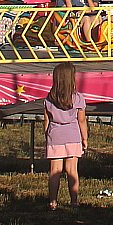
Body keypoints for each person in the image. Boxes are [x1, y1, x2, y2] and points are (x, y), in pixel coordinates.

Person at [45, 62, 88, 210]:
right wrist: (85, 138)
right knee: (72, 170)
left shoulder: (49, 98)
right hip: (72, 135)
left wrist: (47, 136)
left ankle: (53, 202)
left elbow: (47, 121)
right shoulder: (78, 98)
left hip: (55, 135)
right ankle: (74, 201)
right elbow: (81, 120)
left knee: (54, 171)